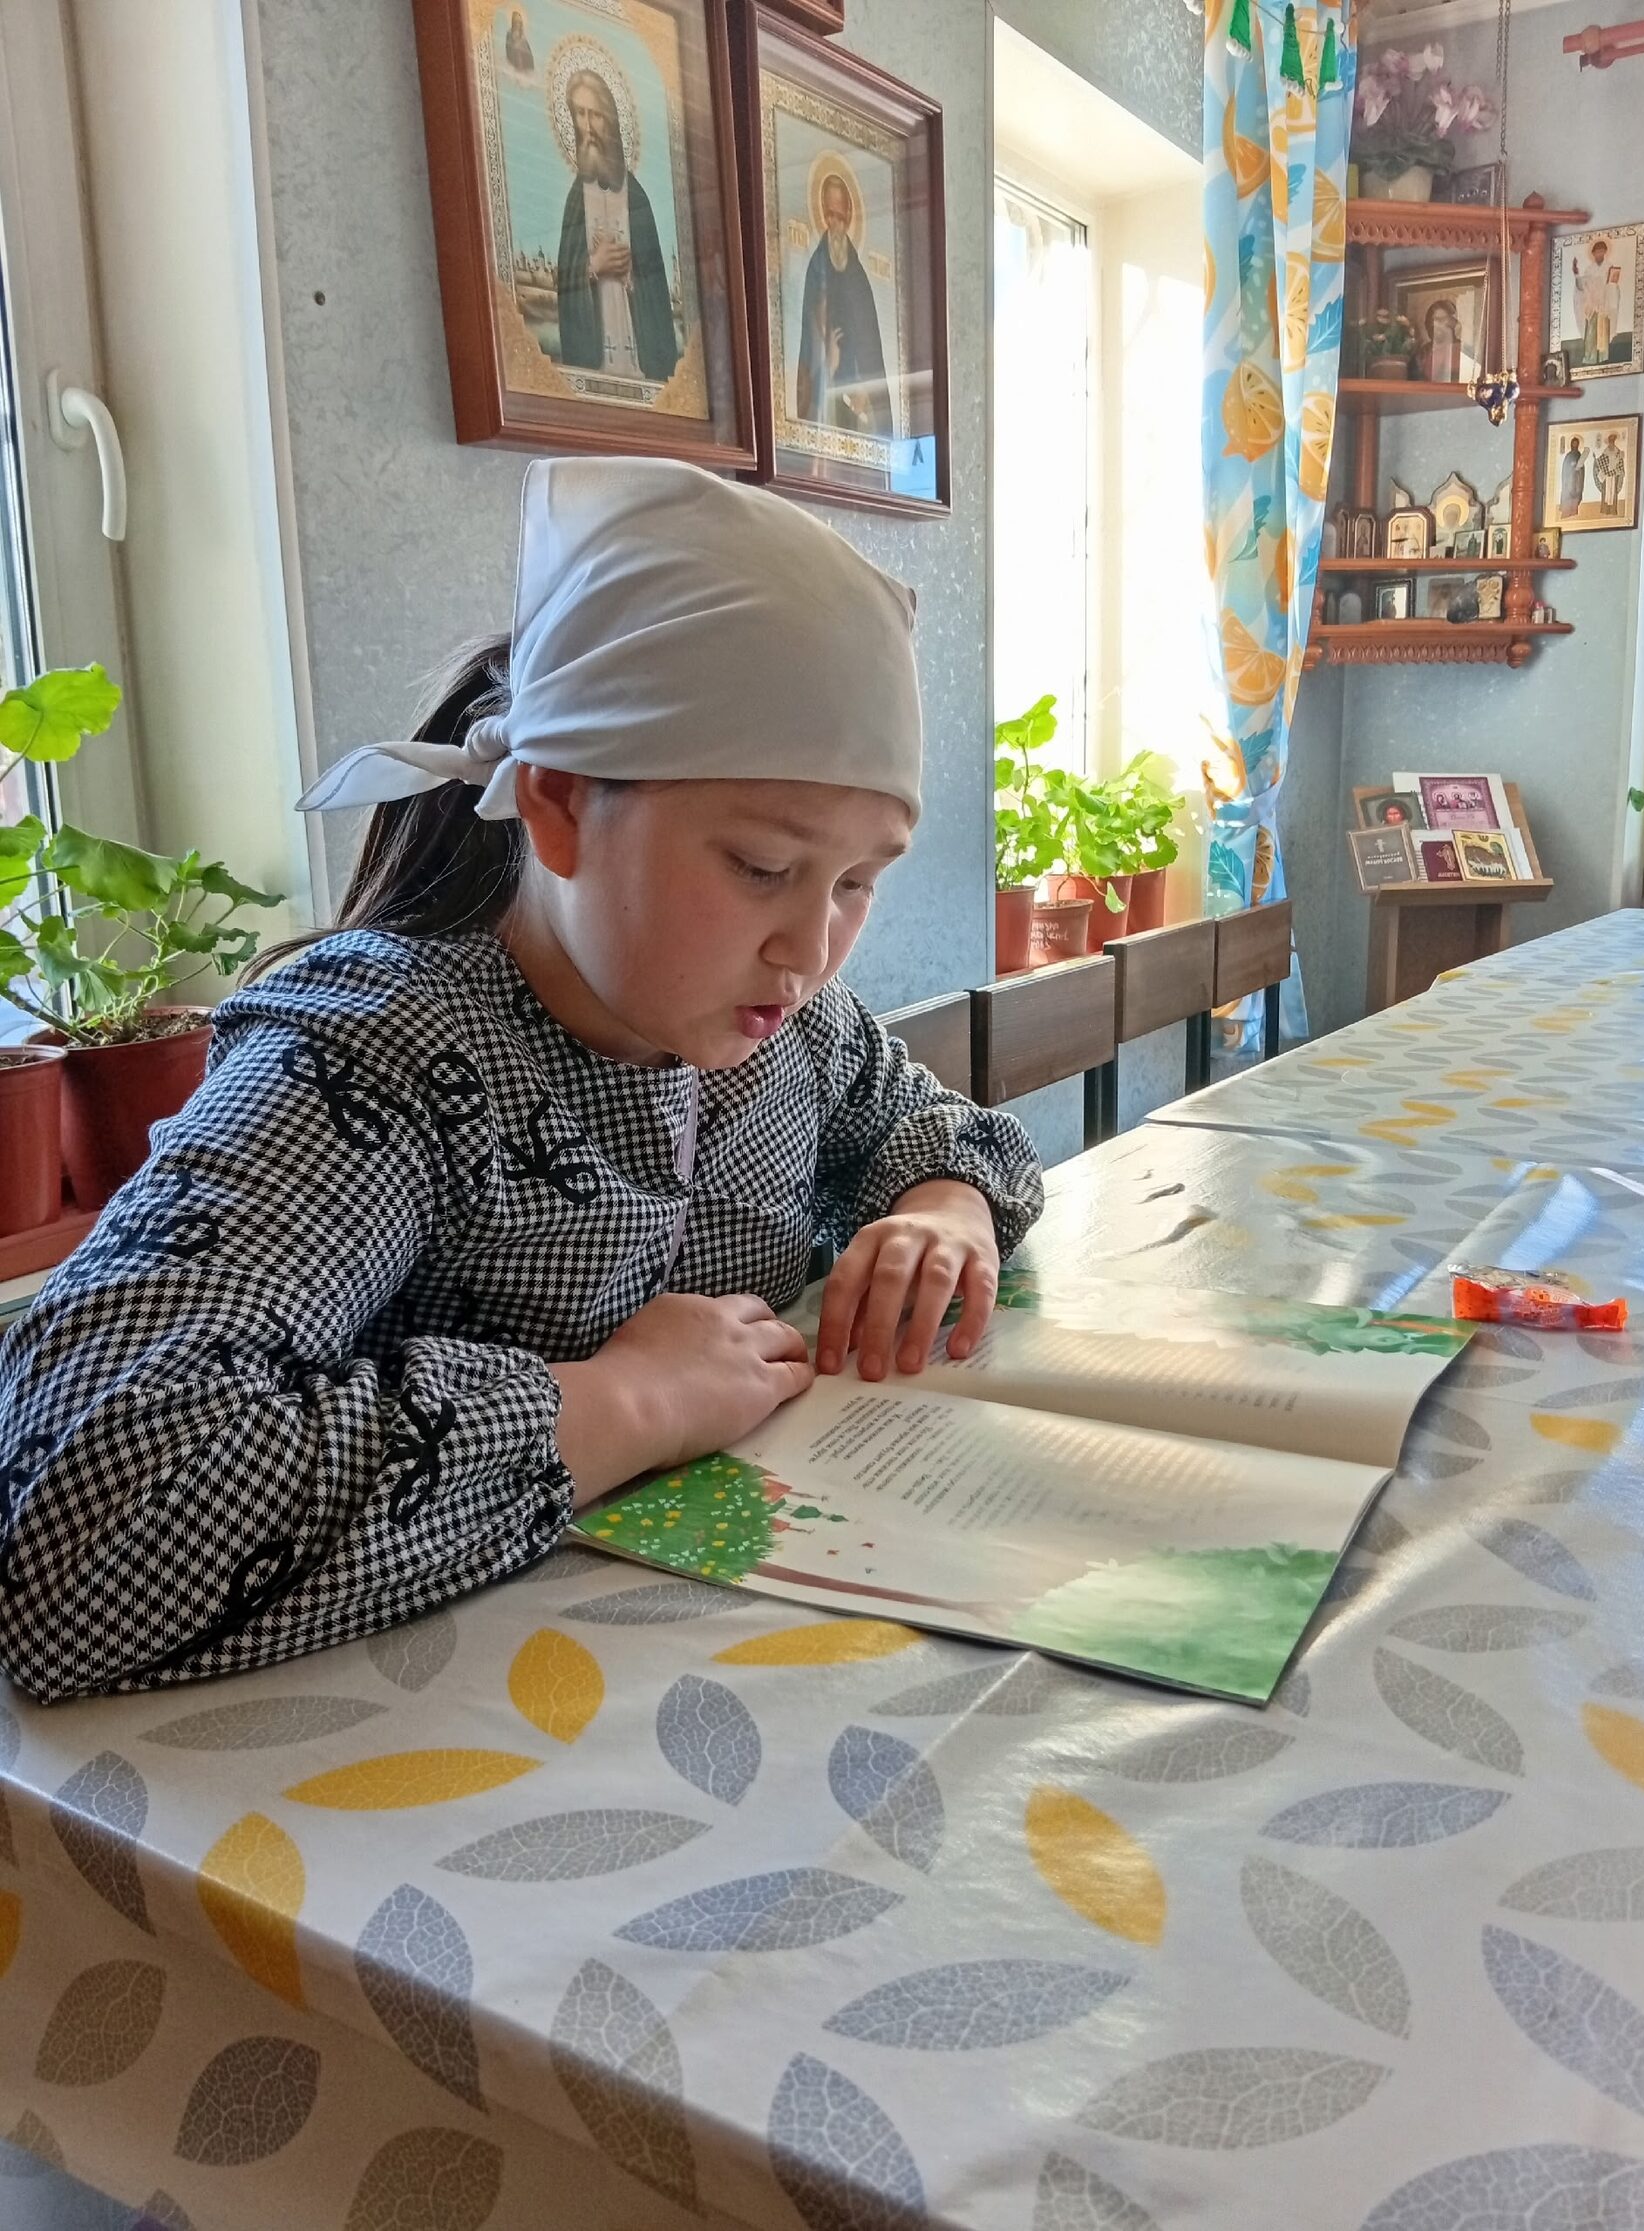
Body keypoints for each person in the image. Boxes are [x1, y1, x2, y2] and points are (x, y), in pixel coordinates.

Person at [0, 459, 1042, 1702]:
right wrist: (620, 1402)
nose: (812, 948)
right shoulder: (371, 1055)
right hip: (409, 1738)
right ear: (557, 805)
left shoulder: (791, 1030)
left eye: (860, 880)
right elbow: (77, 1522)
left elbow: (939, 1127)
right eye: (763, 866)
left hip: (760, 1677)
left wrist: (942, 1206)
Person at [556, 70, 678, 383]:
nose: (587, 127)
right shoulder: (576, 200)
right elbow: (566, 286)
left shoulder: (636, 198)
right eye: (580, 114)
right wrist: (593, 266)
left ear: (610, 121)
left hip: (638, 359)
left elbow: (656, 289)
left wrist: (632, 273)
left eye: (595, 115)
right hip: (596, 359)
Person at [796, 172, 893, 437]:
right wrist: (828, 358)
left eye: (839, 216)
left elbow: (870, 347)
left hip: (857, 394)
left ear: (849, 216)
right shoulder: (816, 271)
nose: (834, 223)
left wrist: (865, 388)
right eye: (829, 215)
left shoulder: (858, 278)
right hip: (828, 392)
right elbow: (809, 342)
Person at [1572, 236, 1621, 369]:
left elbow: (1613, 285)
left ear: (1605, 252)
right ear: (1593, 254)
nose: (1599, 254)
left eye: (1601, 251)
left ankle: (1603, 357)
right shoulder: (1589, 269)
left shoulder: (1609, 267)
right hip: (1592, 304)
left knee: (1603, 331)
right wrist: (1577, 274)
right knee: (1591, 332)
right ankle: (1590, 357)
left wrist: (1611, 287)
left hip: (1604, 303)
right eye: (1597, 252)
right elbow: (1582, 286)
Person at [1422, 299, 1460, 384]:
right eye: (1433, 320)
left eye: (1441, 319)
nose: (1436, 324)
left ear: (1452, 322)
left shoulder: (1462, 351)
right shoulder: (1423, 353)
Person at [1593, 429, 1626, 517]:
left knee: (1613, 493)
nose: (1612, 442)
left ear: (1614, 441)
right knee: (1605, 493)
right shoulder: (1605, 452)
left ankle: (1613, 510)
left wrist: (1618, 471)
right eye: (1610, 440)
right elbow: (1600, 462)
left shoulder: (1618, 453)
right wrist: (1595, 460)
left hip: (1614, 476)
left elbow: (1620, 465)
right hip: (1606, 477)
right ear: (1608, 441)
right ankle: (1605, 510)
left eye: (1613, 440)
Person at [1558, 435, 1586, 520]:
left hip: (1577, 483)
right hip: (1569, 482)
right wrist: (1571, 467)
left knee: (1574, 504)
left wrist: (1577, 468)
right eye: (1573, 444)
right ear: (1571, 444)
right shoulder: (1568, 456)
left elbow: (1582, 471)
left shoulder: (1580, 456)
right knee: (1567, 503)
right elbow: (1564, 470)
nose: (1574, 445)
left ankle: (1573, 516)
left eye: (1576, 444)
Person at [504, 7, 534, 74]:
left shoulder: (522, 34)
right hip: (514, 56)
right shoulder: (509, 33)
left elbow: (527, 49)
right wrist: (515, 46)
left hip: (523, 58)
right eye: (516, 22)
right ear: (513, 22)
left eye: (519, 22)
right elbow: (508, 47)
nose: (518, 24)